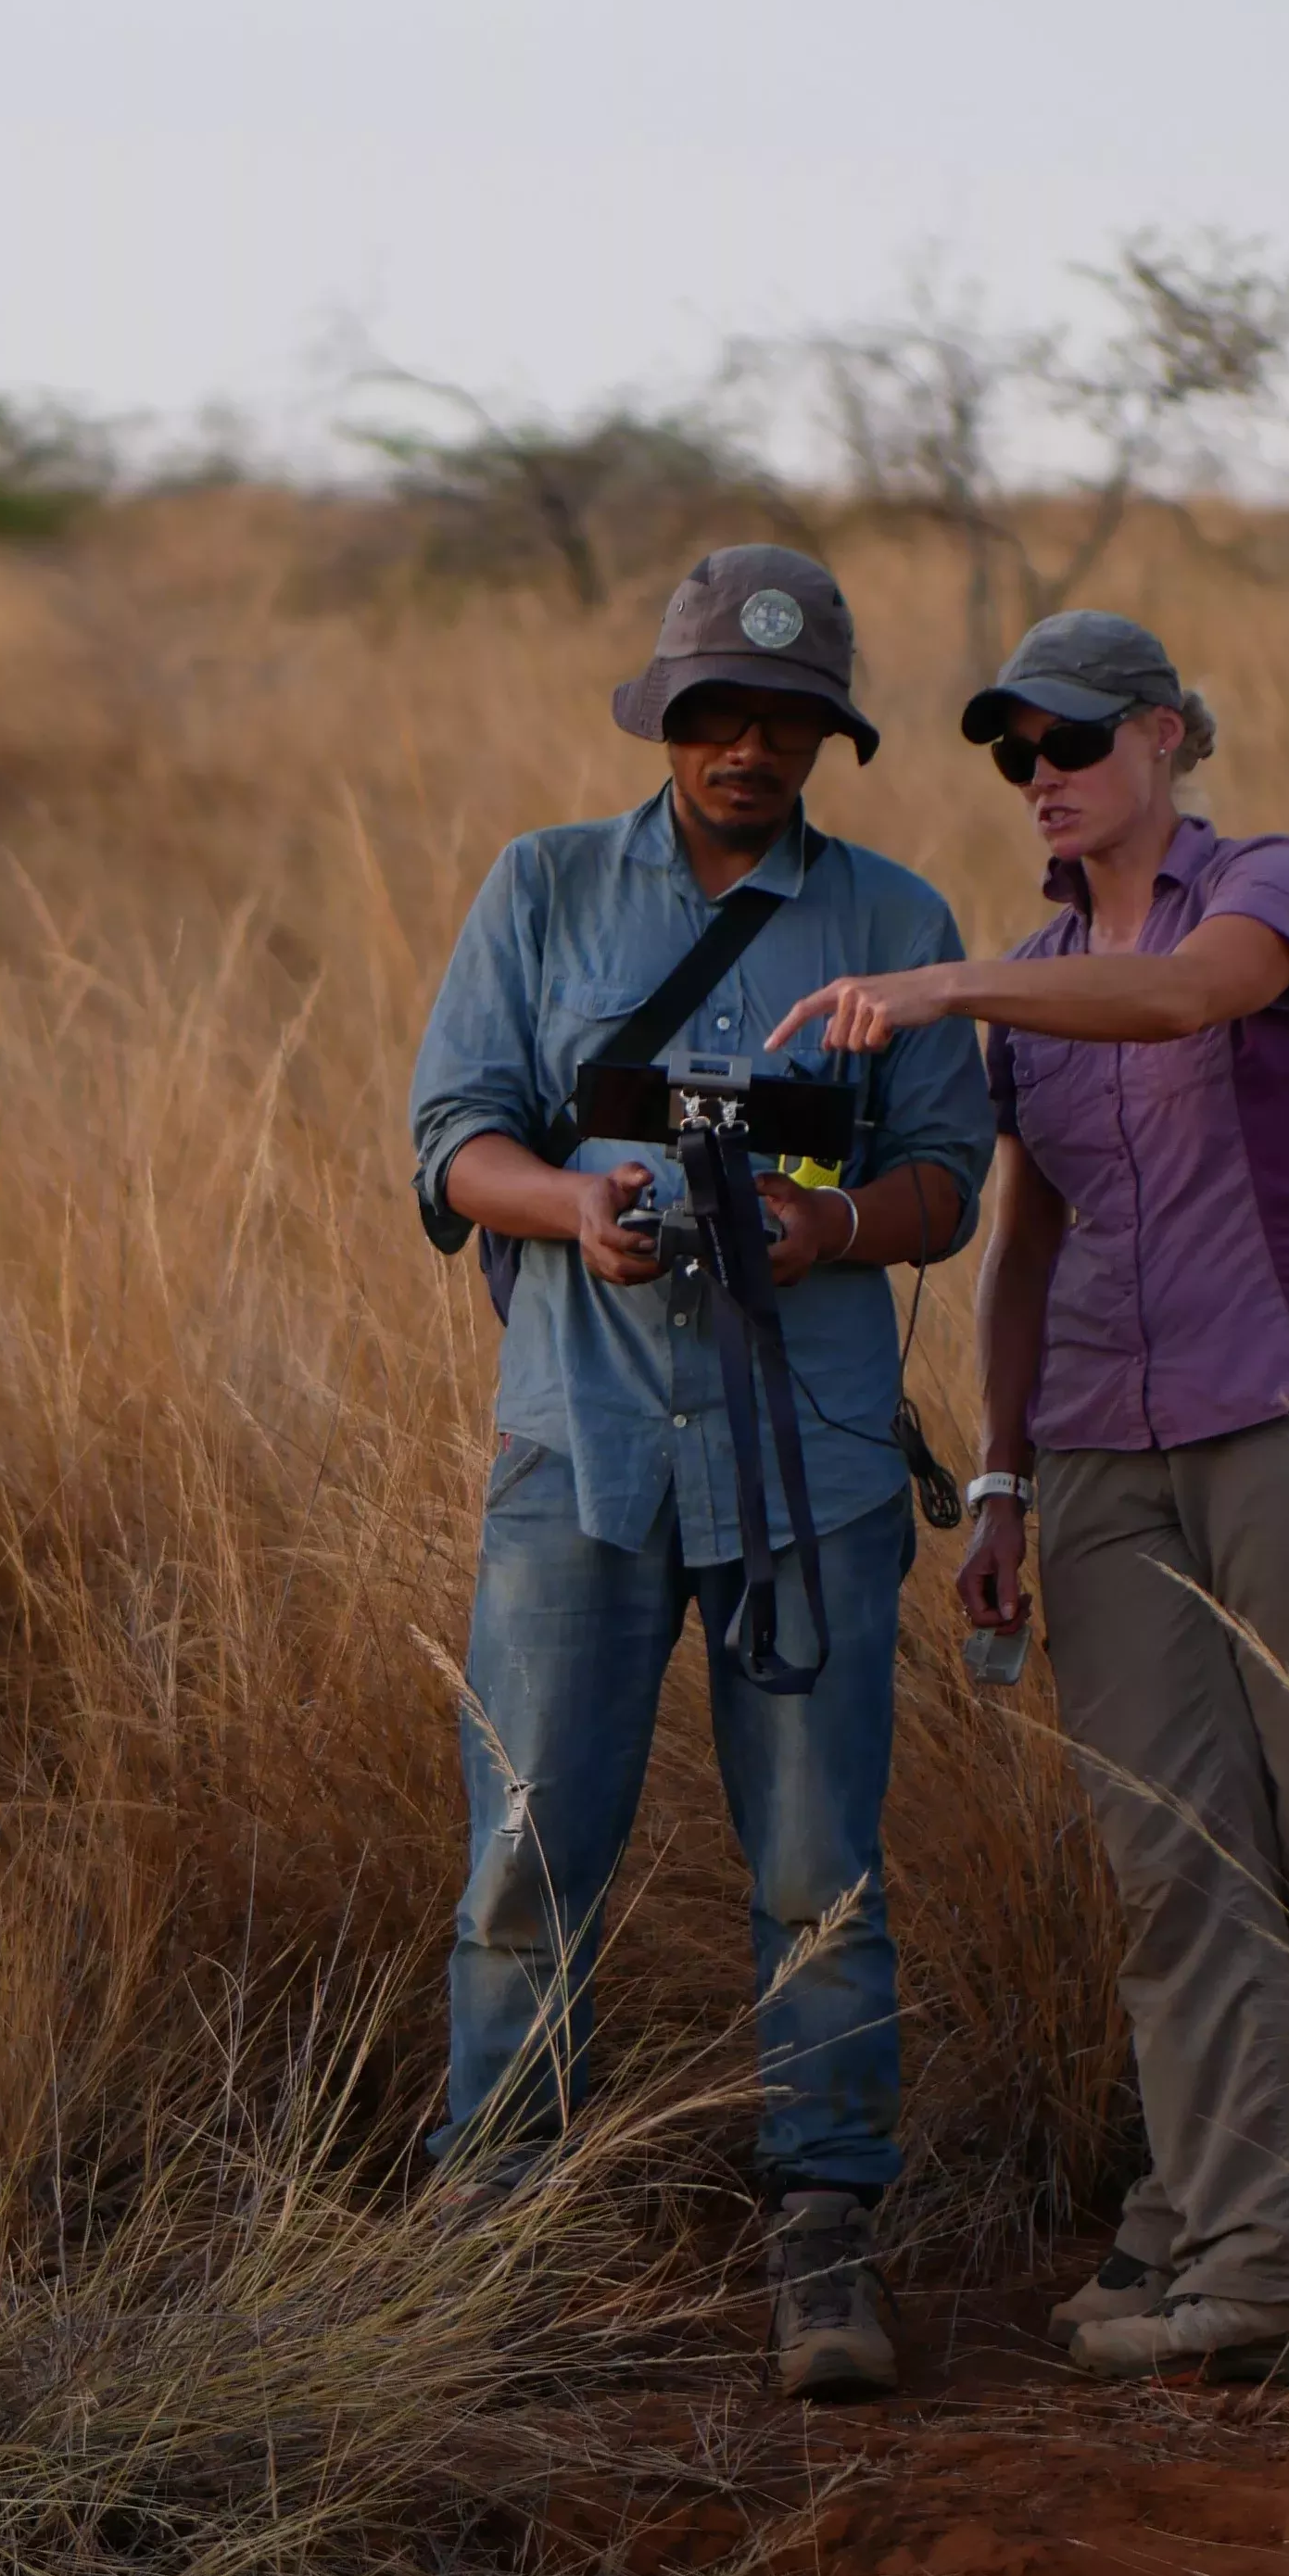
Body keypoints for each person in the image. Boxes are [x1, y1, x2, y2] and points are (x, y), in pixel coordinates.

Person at [767, 608, 1289, 2387]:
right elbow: (1027, 1247)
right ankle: (1262, 2266)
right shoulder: (1038, 992)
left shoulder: (1257, 891)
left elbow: (1192, 998)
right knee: (1167, 1858)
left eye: (1066, 743)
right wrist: (998, 1481)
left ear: (1166, 735)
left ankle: (1198, 2222)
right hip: (1105, 1456)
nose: (1037, 779)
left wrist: (950, 985)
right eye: (1012, 755)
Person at [409, 544, 994, 2400]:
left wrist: (829, 1231)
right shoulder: (544, 885)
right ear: (662, 718)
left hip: (807, 1459)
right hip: (573, 1444)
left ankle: (822, 2232)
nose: (747, 745)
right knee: (523, 1848)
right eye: (714, 713)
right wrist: (571, 1202)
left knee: (818, 1861)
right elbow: (448, 1142)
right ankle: (498, 2221)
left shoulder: (893, 915)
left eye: (786, 717)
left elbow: (947, 1181)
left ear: (830, 734)